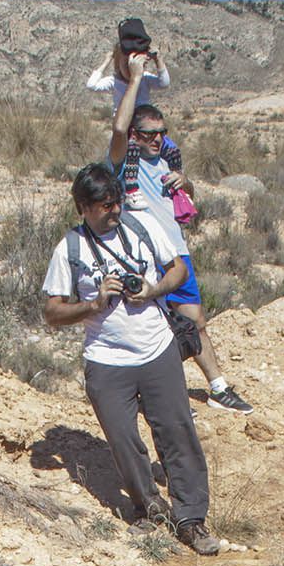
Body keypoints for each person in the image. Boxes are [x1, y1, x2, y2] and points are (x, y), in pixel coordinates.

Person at [42, 163, 221, 556]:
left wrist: (153, 289)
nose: (115, 210)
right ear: (84, 208)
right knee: (123, 440)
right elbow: (52, 313)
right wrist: (95, 303)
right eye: (105, 205)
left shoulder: (142, 227)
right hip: (106, 360)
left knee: (177, 432)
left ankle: (191, 519)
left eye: (117, 201)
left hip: (157, 348)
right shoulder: (69, 249)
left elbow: (178, 269)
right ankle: (148, 508)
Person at [108, 62, 253, 414]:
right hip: (145, 257)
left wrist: (185, 182)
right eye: (147, 134)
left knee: (195, 321)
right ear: (135, 136)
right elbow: (118, 126)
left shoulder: (166, 163)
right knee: (148, 331)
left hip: (177, 254)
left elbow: (183, 198)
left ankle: (218, 388)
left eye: (161, 132)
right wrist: (138, 78)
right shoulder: (123, 159)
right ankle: (151, 394)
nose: (156, 139)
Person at [85, 18, 171, 110]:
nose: (130, 69)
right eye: (126, 64)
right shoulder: (115, 81)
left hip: (141, 120)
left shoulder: (145, 78)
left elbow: (164, 83)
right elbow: (91, 85)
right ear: (118, 63)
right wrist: (107, 61)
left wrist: (158, 60)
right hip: (123, 121)